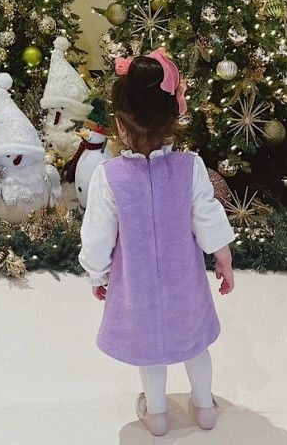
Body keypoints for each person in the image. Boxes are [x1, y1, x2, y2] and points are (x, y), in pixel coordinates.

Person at [79, 48, 235, 437]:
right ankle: (204, 407)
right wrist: (223, 256)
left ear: (119, 124)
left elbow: (98, 234)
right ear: (172, 119)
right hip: (185, 283)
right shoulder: (190, 167)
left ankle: (159, 414)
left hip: (139, 287)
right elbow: (208, 215)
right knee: (195, 343)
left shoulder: (108, 176)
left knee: (150, 349)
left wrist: (97, 273)